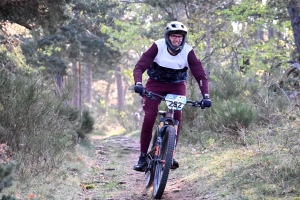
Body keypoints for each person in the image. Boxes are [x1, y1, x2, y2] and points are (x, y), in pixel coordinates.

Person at [133, 21, 211, 172]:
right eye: (174, 37)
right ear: (168, 37)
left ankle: (170, 154)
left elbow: (200, 74)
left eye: (180, 37)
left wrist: (206, 96)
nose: (177, 40)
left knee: (177, 117)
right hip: (155, 84)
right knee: (149, 116)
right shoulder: (158, 46)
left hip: (176, 85)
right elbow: (140, 66)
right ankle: (143, 156)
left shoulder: (188, 51)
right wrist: (138, 83)